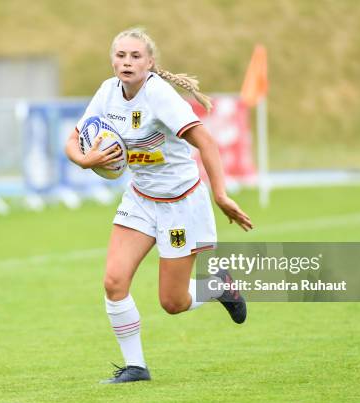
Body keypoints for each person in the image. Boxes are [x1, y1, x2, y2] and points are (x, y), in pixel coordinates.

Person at [65, 27, 253, 384]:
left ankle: (219, 288)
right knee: (113, 281)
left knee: (173, 302)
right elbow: (73, 139)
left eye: (135, 56)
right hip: (140, 198)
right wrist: (85, 160)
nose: (127, 62)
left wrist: (221, 194)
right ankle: (136, 367)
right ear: (112, 60)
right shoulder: (107, 92)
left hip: (181, 202)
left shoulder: (160, 96)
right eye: (121, 56)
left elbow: (207, 142)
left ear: (150, 63)